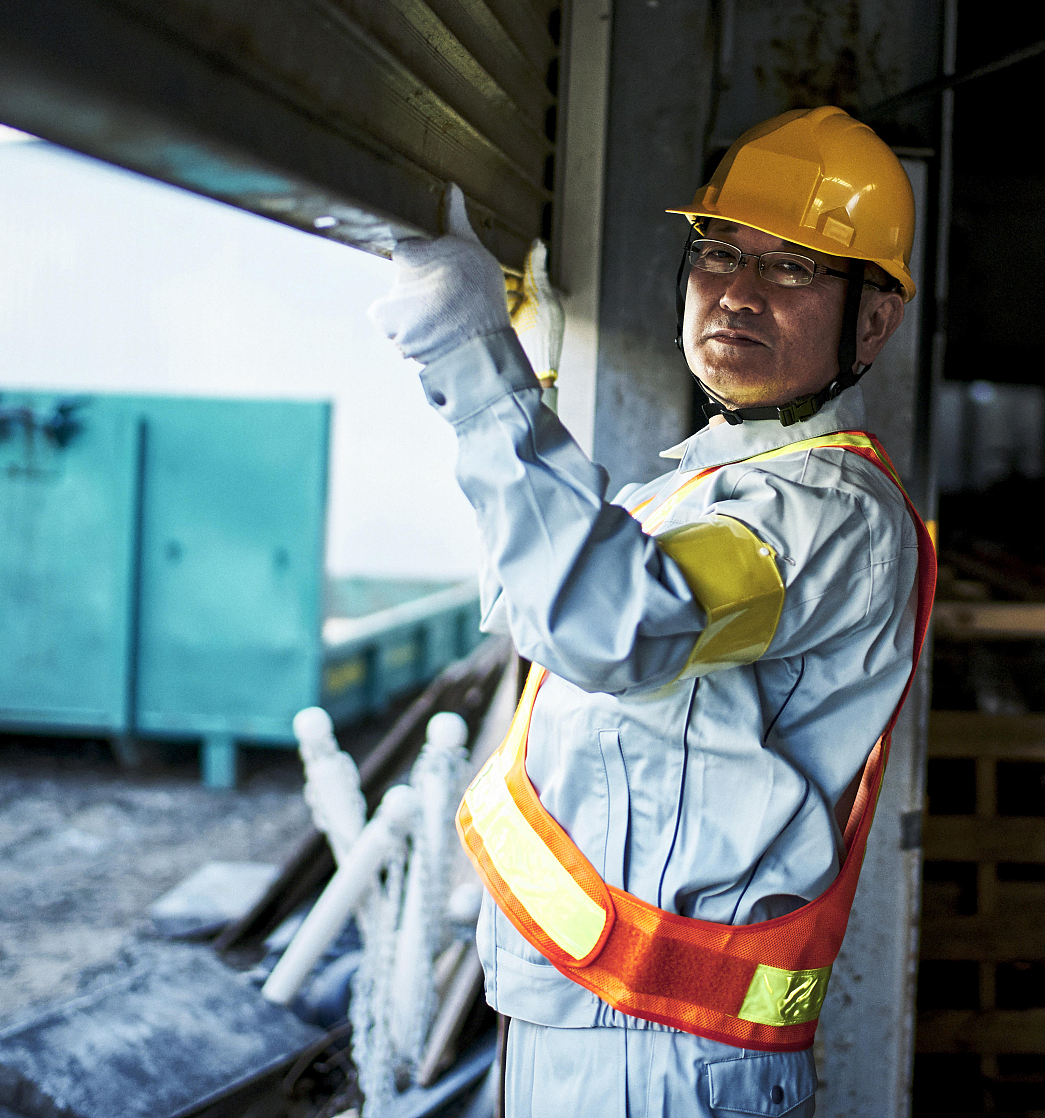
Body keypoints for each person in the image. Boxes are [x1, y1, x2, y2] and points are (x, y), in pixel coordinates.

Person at [371, 106, 936, 1118]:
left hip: (663, 1050)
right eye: (717, 253)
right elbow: (531, 600)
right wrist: (533, 371)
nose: (739, 292)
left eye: (792, 267)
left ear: (873, 321)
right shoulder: (696, 487)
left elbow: (607, 625)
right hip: (599, 1015)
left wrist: (472, 357)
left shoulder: (823, 513)